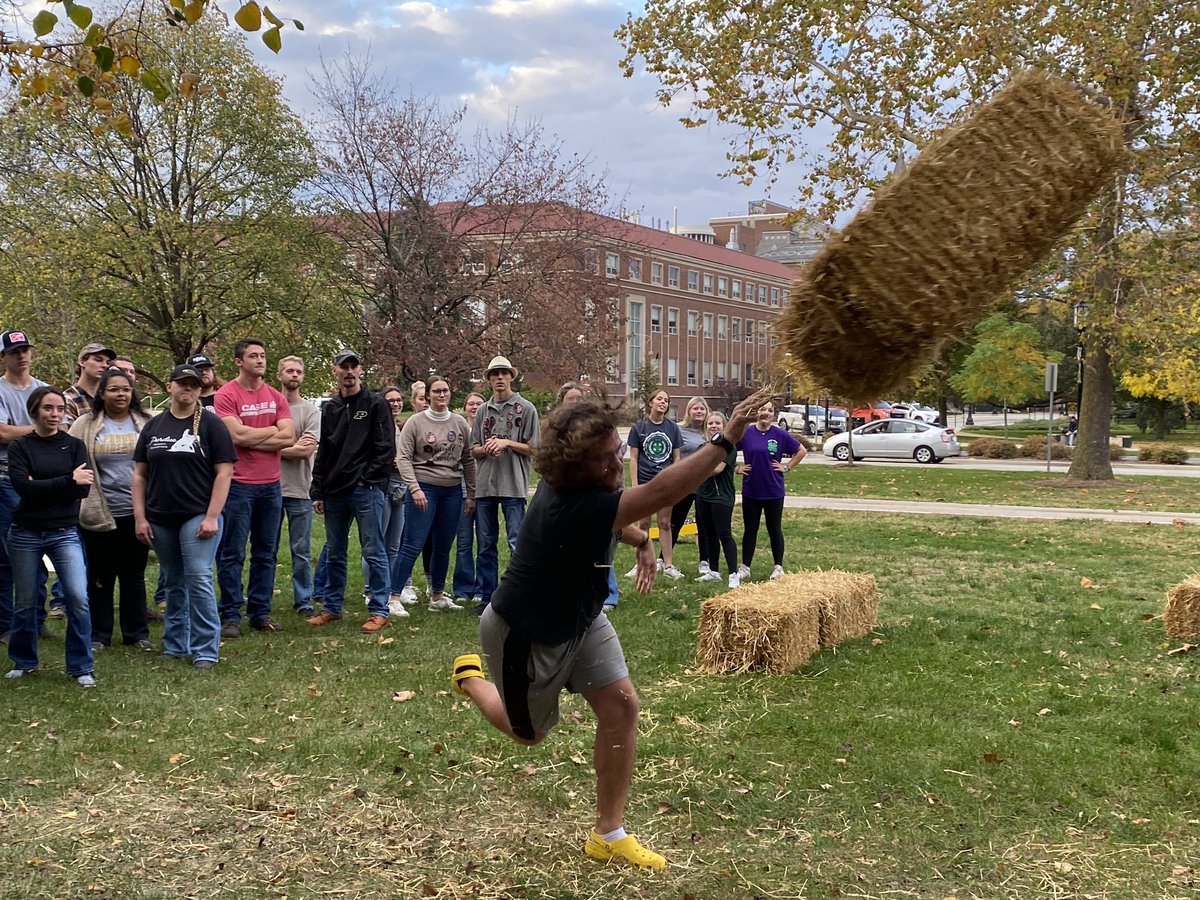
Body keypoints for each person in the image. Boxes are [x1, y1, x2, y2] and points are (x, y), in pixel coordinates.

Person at [451, 387, 770, 870]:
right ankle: (471, 678)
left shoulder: (589, 492)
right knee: (528, 735)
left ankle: (609, 832)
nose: (615, 468)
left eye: (616, 454)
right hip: (525, 634)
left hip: (582, 616)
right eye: (603, 462)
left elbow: (619, 514)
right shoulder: (569, 503)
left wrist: (641, 538)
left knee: (621, 704)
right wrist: (726, 439)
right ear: (575, 467)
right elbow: (661, 491)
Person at [133, 364, 236, 669]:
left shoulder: (211, 424)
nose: (188, 389)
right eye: (183, 384)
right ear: (170, 387)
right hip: (161, 517)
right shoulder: (154, 426)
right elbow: (140, 475)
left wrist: (212, 516)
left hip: (197, 515)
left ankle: (205, 649)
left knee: (199, 577)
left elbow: (225, 472)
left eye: (194, 385)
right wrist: (140, 517)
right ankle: (176, 644)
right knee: (174, 581)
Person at [4, 387, 96, 686]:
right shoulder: (21, 447)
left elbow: (83, 490)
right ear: (35, 411)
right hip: (25, 532)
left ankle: (81, 666)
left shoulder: (74, 446)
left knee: (78, 597)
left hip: (64, 532)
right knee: (26, 600)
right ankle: (23, 660)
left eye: (59, 409)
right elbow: (24, 489)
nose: (54, 414)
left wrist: (42, 484)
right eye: (47, 408)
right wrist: (68, 479)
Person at [306, 350, 395, 633]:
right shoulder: (330, 408)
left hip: (365, 491)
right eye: (343, 367)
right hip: (334, 493)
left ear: (360, 370)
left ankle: (379, 609)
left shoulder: (375, 404)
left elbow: (385, 449)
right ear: (335, 371)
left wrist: (365, 480)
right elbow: (325, 451)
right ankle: (332, 607)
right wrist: (317, 490)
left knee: (373, 550)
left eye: (353, 366)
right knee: (335, 551)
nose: (348, 372)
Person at [69, 367, 154, 650]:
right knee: (100, 576)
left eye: (126, 389)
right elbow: (69, 458)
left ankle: (137, 634)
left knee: (134, 574)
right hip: (99, 512)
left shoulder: (147, 421)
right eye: (114, 389)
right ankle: (99, 635)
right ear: (102, 393)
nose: (121, 394)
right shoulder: (86, 424)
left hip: (138, 512)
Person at [214, 338, 294, 637]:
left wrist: (253, 436)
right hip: (238, 486)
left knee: (266, 552)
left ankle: (260, 612)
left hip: (271, 486)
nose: (260, 360)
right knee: (232, 553)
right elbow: (235, 436)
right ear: (239, 361)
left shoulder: (275, 396)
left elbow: (289, 437)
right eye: (253, 356)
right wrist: (272, 431)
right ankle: (230, 615)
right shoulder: (226, 395)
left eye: (262, 355)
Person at [391, 376, 475, 613]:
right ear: (427, 395)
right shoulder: (415, 422)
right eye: (436, 391)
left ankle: (437, 596)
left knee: (443, 545)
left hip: (452, 491)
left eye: (445, 391)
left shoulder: (459, 423)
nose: (441, 395)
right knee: (412, 543)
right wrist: (415, 488)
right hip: (424, 488)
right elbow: (403, 458)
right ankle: (394, 597)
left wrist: (471, 494)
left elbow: (468, 460)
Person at [470, 355, 539, 616]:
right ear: (488, 379)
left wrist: (508, 443)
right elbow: (472, 450)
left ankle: (520, 595)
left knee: (516, 543)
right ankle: (488, 597)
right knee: (485, 544)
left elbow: (535, 448)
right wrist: (487, 448)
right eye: (494, 374)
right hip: (485, 486)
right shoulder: (481, 411)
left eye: (504, 373)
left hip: (513, 485)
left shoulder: (526, 408)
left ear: (512, 376)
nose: (499, 378)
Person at [0, 329, 50, 644]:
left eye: (26, 349)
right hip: (6, 479)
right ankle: (6, 624)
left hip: (42, 479)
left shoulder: (44, 389)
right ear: (3, 356)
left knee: (43, 547)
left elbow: (61, 429)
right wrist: (38, 430)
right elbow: (2, 434)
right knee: (8, 553)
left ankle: (37, 620)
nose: (22, 355)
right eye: (14, 351)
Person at [735, 399, 805, 581]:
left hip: (774, 491)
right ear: (756, 412)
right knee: (750, 529)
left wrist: (787, 467)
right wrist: (736, 468)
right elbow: (727, 450)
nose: (766, 413)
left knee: (774, 529)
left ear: (773, 414)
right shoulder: (747, 433)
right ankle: (745, 567)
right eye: (762, 410)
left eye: (769, 410)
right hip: (751, 490)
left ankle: (778, 567)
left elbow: (801, 451)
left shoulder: (779, 435)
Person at [277, 356, 320, 617]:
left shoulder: (310, 411)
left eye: (299, 372)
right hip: (269, 487)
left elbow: (307, 450)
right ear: (279, 375)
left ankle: (304, 600)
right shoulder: (270, 407)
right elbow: (251, 442)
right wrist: (291, 447)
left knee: (301, 550)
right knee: (265, 549)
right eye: (289, 371)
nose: (294, 375)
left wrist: (272, 446)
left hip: (301, 489)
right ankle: (260, 601)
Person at [625, 389, 682, 579]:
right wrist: (635, 484)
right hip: (644, 481)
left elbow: (676, 458)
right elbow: (633, 458)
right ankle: (639, 564)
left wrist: (675, 481)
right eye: (659, 399)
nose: (663, 403)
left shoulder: (672, 428)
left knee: (665, 522)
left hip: (666, 482)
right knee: (643, 522)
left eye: (666, 400)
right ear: (651, 402)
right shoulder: (639, 428)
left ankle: (668, 565)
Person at [665, 397, 710, 575]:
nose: (699, 412)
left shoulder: (710, 432)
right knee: (674, 522)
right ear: (689, 411)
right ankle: (663, 558)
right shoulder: (678, 430)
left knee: (704, 524)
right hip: (683, 485)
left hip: (704, 486)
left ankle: (704, 561)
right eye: (695, 409)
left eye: (702, 409)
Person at [695, 411, 739, 587]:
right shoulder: (702, 447)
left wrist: (699, 469)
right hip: (703, 495)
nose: (713, 426)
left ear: (724, 426)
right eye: (710, 423)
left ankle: (733, 574)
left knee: (724, 534)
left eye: (717, 423)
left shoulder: (728, 447)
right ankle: (713, 571)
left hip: (721, 497)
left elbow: (717, 469)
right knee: (709, 534)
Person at [451, 391, 486, 608]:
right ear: (465, 408)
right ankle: (463, 588)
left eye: (478, 403)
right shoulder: (459, 429)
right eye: (470, 404)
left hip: (485, 492)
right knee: (463, 542)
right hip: (462, 491)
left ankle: (483, 588)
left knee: (484, 542)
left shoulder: (488, 428)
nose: (474, 407)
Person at [376, 386, 409, 615]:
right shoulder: (376, 426)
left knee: (394, 545)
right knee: (377, 542)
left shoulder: (401, 429)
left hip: (400, 489)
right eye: (390, 400)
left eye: (398, 400)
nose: (395, 404)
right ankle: (372, 589)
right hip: (381, 488)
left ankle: (389, 590)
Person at [64, 342, 118, 426]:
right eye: (98, 360)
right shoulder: (68, 399)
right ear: (82, 362)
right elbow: (68, 435)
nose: (104, 365)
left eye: (108, 362)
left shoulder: (108, 397)